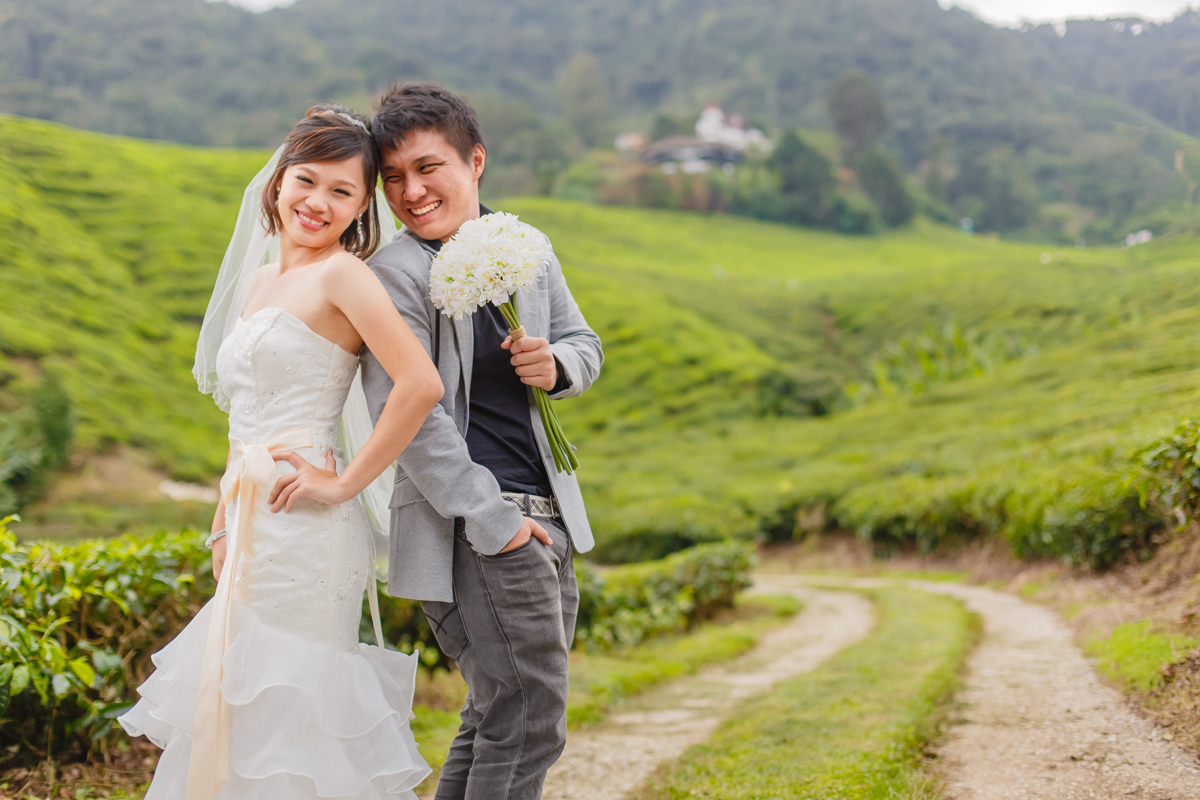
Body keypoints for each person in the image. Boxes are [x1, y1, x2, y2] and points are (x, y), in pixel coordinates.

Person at [118, 106, 442, 800]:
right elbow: (245, 421)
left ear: (361, 207)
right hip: (249, 518)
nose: (318, 202)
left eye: (341, 191)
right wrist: (220, 521)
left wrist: (345, 483)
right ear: (278, 180)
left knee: (293, 700)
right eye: (307, 180)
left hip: (308, 526)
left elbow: (420, 384)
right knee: (237, 700)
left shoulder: (344, 276)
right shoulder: (258, 282)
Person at [358, 83, 603, 800]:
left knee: (499, 713)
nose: (410, 191)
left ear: (476, 161)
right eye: (393, 177)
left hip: (549, 514)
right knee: (529, 721)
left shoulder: (525, 247)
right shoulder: (395, 273)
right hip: (476, 528)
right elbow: (406, 414)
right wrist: (494, 522)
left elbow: (584, 342)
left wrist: (556, 366)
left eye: (427, 167)